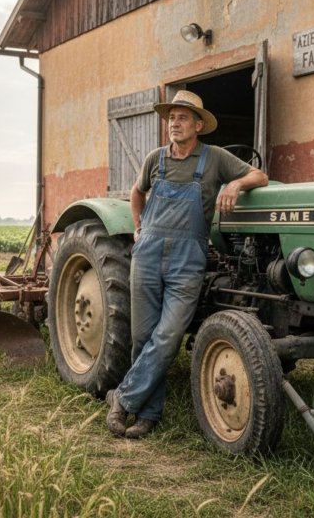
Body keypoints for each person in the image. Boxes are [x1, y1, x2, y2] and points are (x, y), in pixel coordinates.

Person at [106, 90, 269, 439]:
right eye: (171, 118)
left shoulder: (215, 159)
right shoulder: (155, 159)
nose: (174, 124)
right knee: (142, 338)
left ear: (198, 125)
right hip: (147, 254)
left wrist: (237, 183)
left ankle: (122, 398)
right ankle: (148, 414)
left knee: (167, 337)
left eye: (182, 118)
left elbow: (261, 177)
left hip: (187, 261)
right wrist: (138, 228)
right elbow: (137, 192)